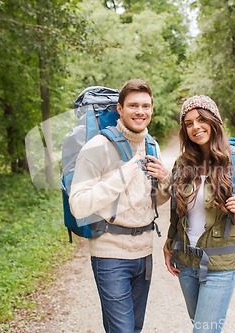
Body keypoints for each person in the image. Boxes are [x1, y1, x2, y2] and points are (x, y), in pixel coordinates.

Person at [163, 95, 235, 333]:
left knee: (204, 330)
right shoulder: (182, 164)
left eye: (201, 119)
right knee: (201, 326)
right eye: (189, 123)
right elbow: (176, 210)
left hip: (220, 263)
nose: (195, 127)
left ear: (215, 122)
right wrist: (170, 243)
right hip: (185, 261)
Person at [69, 79, 171, 333]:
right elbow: (78, 205)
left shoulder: (152, 146)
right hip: (110, 254)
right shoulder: (97, 147)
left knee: (134, 328)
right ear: (120, 109)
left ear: (152, 109)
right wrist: (122, 176)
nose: (140, 112)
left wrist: (165, 181)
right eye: (133, 105)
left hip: (144, 253)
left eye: (145, 106)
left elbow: (154, 200)